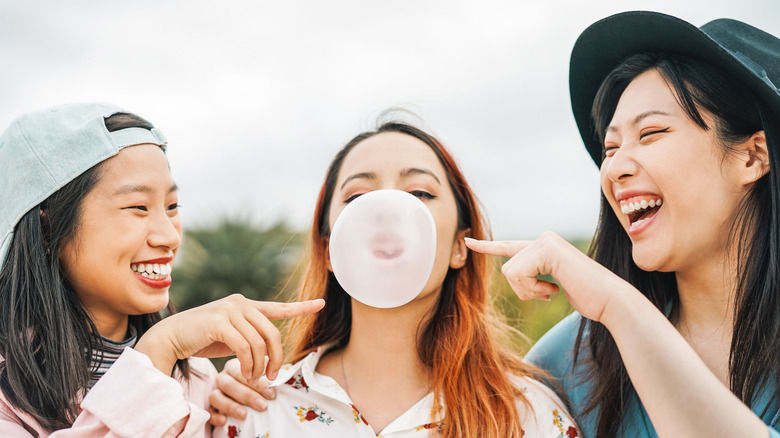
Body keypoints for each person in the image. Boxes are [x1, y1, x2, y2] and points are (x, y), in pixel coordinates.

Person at [466, 11, 780, 438]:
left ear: (753, 156)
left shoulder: (614, 313)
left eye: (650, 133)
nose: (614, 168)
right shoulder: (565, 365)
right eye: (610, 147)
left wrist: (621, 308)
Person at [212, 121, 579, 437]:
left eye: (419, 193)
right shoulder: (252, 408)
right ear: (329, 251)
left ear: (458, 246)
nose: (386, 210)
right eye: (357, 197)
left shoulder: (528, 416)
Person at [0, 102, 324, 436]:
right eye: (138, 207)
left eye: (172, 206)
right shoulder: (7, 395)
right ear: (48, 228)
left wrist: (235, 409)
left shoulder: (197, 379)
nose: (170, 236)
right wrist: (158, 349)